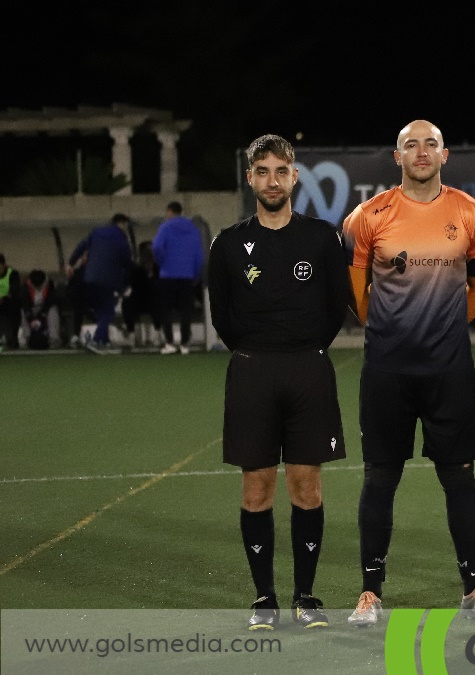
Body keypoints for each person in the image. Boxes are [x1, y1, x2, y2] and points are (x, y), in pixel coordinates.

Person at [342, 120, 475, 627]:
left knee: (460, 477)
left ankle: (474, 589)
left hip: (449, 371)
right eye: (411, 144)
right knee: (380, 479)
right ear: (397, 157)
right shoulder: (367, 217)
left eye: (430, 143)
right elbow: (356, 295)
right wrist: (394, 331)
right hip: (387, 372)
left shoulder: (472, 214)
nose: (421, 151)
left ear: (444, 154)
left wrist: (444, 328)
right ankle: (370, 593)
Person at [207, 134, 349, 631]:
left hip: (309, 369)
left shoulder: (323, 237)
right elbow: (221, 316)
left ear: (295, 176)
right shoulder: (227, 244)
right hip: (251, 371)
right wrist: (258, 353)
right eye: (262, 171)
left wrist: (305, 349)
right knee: (256, 488)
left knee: (306, 487)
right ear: (250, 178)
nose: (272, 180)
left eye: (281, 171)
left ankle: (305, 596)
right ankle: (264, 598)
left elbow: (338, 307)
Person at [68, 214, 133, 353]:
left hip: (90, 277)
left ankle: (104, 340)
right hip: (108, 279)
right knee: (108, 311)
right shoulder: (121, 238)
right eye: (126, 225)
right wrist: (126, 279)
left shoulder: (96, 232)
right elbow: (127, 259)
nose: (127, 228)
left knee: (101, 309)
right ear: (121, 223)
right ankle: (97, 340)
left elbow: (81, 246)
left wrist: (70, 263)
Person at [153, 201, 206, 354]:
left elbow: (156, 247)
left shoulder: (166, 227)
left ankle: (169, 342)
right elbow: (199, 255)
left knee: (165, 309)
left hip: (168, 274)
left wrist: (162, 263)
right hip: (187, 275)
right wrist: (195, 273)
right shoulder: (193, 229)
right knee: (186, 310)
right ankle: (184, 344)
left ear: (169, 211)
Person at [122, 242, 162, 347]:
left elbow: (158, 287)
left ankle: (158, 333)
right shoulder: (135, 269)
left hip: (153, 300)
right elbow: (134, 285)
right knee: (127, 303)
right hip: (139, 301)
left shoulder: (158, 269)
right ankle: (131, 333)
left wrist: (151, 277)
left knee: (159, 302)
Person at [20, 269, 61, 349]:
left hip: (45, 308)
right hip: (31, 308)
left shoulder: (50, 285)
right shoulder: (25, 286)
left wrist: (40, 317)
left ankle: (54, 340)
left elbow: (50, 302)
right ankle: (27, 338)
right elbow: (25, 305)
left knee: (53, 311)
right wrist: (31, 319)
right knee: (22, 312)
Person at [0, 253, 21, 350]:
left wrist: (4, 298)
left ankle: (14, 338)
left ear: (3, 265)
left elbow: (15, 290)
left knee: (15, 306)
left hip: (8, 303)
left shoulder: (12, 274)